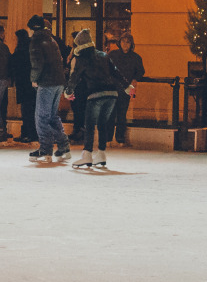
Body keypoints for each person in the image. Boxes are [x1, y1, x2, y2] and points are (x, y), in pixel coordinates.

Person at [65, 29, 129, 168]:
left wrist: (68, 91)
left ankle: (87, 154)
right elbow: (115, 72)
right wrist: (127, 86)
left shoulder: (82, 58)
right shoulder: (103, 55)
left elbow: (75, 77)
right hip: (112, 94)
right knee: (102, 123)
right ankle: (101, 153)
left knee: (89, 124)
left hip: (95, 94)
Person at [27, 14, 71, 162]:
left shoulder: (36, 41)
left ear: (33, 28)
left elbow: (37, 63)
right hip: (58, 82)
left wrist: (34, 79)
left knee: (41, 118)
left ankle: (46, 149)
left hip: (46, 82)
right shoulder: (52, 40)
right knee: (52, 117)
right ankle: (63, 145)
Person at [109, 33, 145, 145]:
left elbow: (141, 71)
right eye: (123, 41)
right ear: (119, 43)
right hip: (112, 88)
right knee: (110, 114)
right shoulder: (113, 55)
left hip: (125, 89)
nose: (125, 44)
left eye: (128, 42)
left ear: (131, 44)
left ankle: (120, 138)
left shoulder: (136, 58)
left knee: (121, 114)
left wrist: (135, 79)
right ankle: (107, 138)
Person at [9, 28, 37, 143]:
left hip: (23, 84)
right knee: (30, 109)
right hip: (31, 84)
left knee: (26, 110)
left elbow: (12, 64)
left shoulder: (20, 51)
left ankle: (29, 133)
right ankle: (28, 133)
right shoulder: (31, 49)